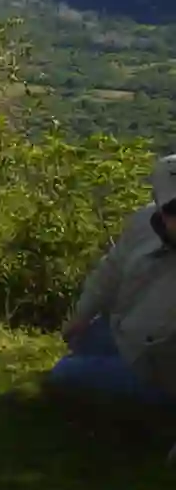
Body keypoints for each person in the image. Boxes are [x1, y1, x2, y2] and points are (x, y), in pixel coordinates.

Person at [50, 153, 176, 406]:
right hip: (129, 329)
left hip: (160, 367)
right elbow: (111, 269)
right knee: (81, 340)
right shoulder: (143, 224)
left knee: (64, 373)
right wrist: (82, 315)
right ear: (158, 207)